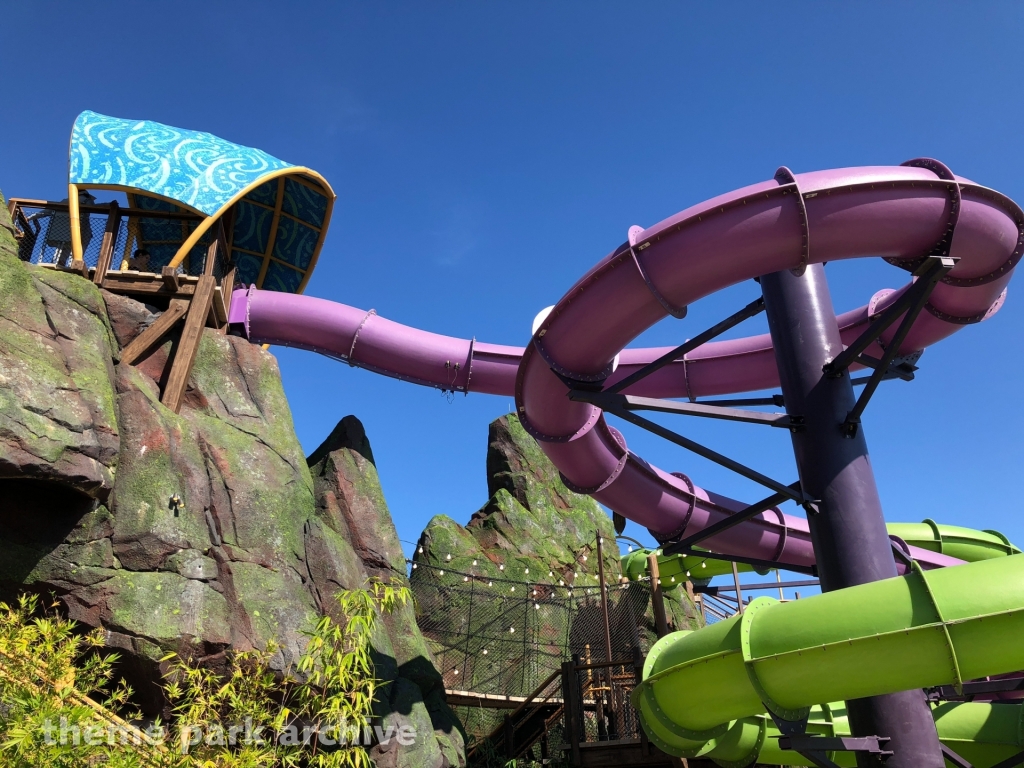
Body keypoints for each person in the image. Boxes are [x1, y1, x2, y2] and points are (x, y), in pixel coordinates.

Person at [29, 189, 102, 266]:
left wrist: (31, 217)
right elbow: (97, 207)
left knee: (63, 245)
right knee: (77, 244)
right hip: (80, 230)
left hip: (61, 229)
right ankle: (74, 262)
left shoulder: (65, 201)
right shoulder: (87, 201)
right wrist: (109, 204)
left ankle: (58, 261)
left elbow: (47, 211)